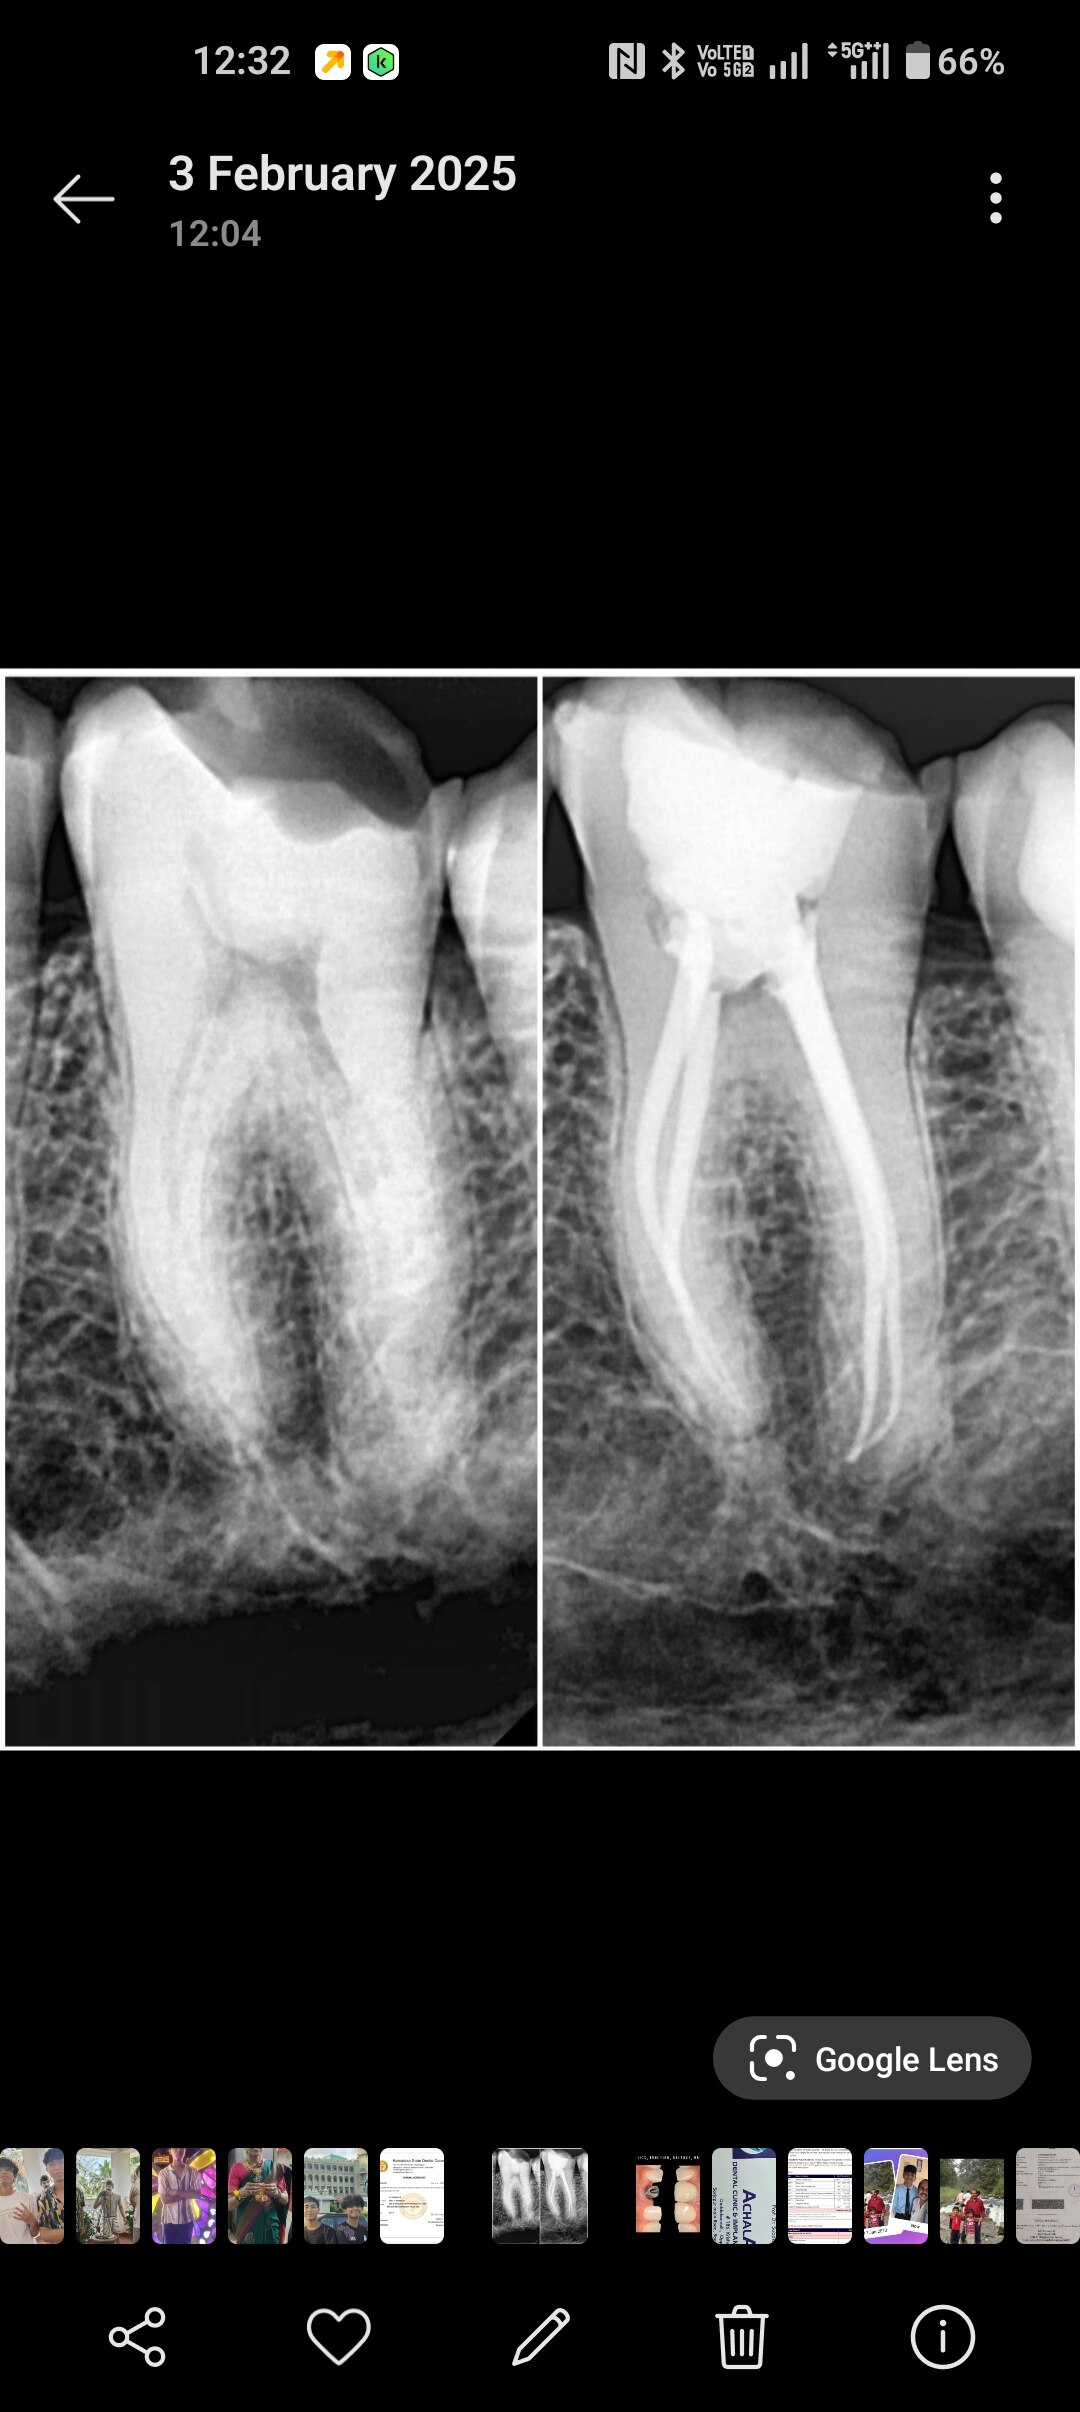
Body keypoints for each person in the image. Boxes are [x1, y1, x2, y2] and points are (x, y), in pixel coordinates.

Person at [229, 2149, 288, 2245]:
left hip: (270, 2226)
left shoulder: (275, 2167)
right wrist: (240, 2193)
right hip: (247, 2226)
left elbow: (285, 2199)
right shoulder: (236, 2169)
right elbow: (229, 2205)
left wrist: (277, 2193)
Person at [156, 2147, 205, 2245]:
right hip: (169, 2220)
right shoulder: (163, 2174)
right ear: (170, 2151)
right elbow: (164, 2199)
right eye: (175, 2148)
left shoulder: (192, 2171)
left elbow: (198, 2194)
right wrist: (188, 2193)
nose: (179, 2150)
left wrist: (176, 2192)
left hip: (187, 2219)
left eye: (182, 2148)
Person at [0, 2157, 35, 2246]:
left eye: (8, 2169)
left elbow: (35, 2233)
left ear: (14, 2176)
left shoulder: (29, 2198)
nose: (3, 2172)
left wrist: (32, 2221)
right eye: (0, 2170)